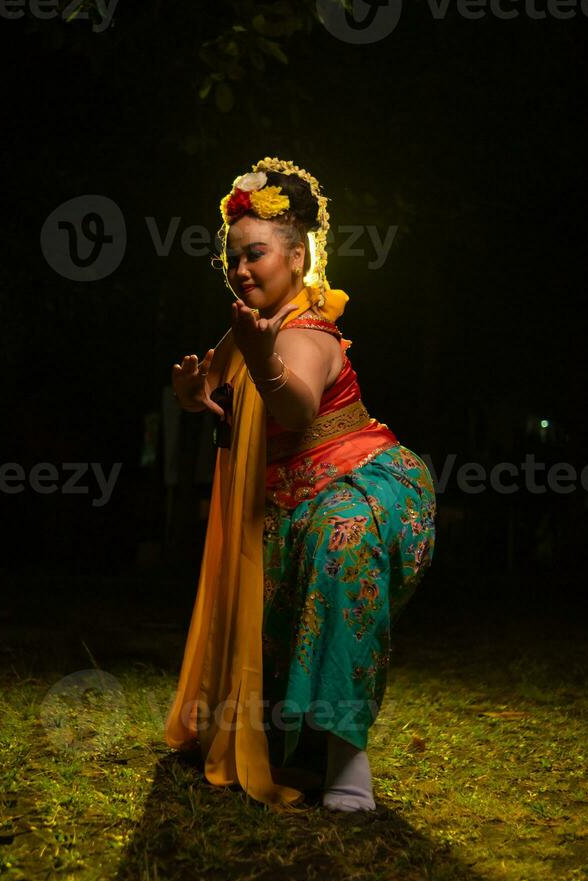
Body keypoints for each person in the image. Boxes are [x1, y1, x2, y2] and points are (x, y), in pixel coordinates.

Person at [164, 157, 436, 813]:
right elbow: (241, 416)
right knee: (267, 593)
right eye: (233, 260)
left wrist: (265, 366)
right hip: (289, 504)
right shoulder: (246, 336)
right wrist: (201, 400)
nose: (242, 270)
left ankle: (350, 759)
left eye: (255, 255)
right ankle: (301, 745)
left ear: (297, 257)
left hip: (364, 488)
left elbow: (295, 407)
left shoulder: (305, 332)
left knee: (341, 549)